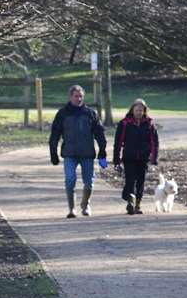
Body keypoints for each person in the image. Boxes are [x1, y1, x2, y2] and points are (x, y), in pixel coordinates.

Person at [49, 84, 107, 218]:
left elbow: (99, 133)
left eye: (81, 96)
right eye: (76, 96)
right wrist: (53, 152)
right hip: (70, 153)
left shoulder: (90, 114)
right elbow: (55, 134)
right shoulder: (62, 114)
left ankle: (85, 205)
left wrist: (102, 150)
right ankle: (71, 209)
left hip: (87, 153)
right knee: (70, 180)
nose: (79, 99)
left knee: (89, 182)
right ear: (70, 97)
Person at [113, 99, 160, 214]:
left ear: (144, 111)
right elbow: (118, 142)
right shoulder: (124, 123)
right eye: (136, 110)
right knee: (130, 180)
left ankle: (138, 204)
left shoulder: (150, 123)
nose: (139, 112)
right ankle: (131, 202)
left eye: (141, 110)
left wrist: (154, 158)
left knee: (140, 181)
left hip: (143, 158)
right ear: (132, 110)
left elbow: (155, 142)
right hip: (129, 157)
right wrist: (116, 160)